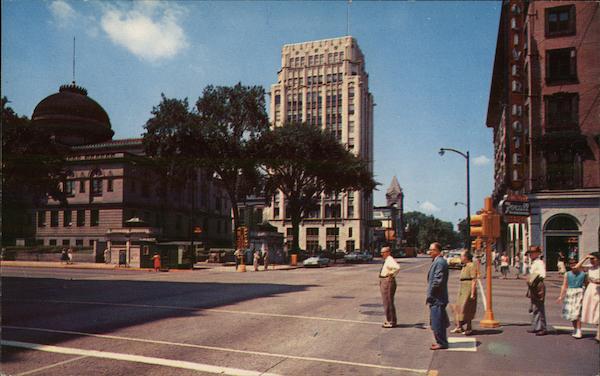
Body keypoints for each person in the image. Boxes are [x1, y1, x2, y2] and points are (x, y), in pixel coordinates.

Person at [427, 242, 450, 350]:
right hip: (437, 297)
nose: (429, 252)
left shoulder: (440, 262)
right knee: (437, 320)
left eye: (431, 250)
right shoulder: (438, 261)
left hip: (437, 297)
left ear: (437, 251)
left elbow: (437, 281)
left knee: (438, 321)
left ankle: (441, 342)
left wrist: (430, 294)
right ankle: (440, 341)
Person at [557, 258, 586, 338]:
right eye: (571, 263)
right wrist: (560, 296)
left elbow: (586, 285)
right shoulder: (567, 274)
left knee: (577, 313)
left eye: (574, 263)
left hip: (579, 292)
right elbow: (564, 285)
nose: (573, 265)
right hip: (570, 293)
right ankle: (575, 329)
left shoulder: (583, 274)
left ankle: (579, 330)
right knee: (571, 313)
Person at [451, 250, 477, 336]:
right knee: (458, 307)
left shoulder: (471, 265)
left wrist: (472, 293)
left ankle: (469, 328)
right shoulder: (464, 265)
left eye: (461, 256)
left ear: (466, 257)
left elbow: (474, 280)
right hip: (463, 287)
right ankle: (459, 327)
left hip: (468, 288)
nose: (460, 258)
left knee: (467, 308)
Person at [577, 252, 600, 342]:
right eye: (591, 259)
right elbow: (577, 267)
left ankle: (599, 335)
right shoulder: (590, 268)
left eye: (593, 259)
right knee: (594, 311)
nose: (592, 261)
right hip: (591, 289)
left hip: (598, 289)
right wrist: (585, 258)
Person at [526, 245, 547, 336]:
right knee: (535, 307)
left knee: (539, 307)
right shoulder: (534, 262)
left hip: (538, 285)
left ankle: (542, 328)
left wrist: (533, 279)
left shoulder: (539, 262)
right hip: (533, 285)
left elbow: (542, 274)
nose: (530, 255)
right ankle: (536, 326)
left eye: (532, 253)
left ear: (538, 253)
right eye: (530, 253)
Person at [379, 246, 400, 328]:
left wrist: (391, 273)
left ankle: (391, 321)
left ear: (388, 252)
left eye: (383, 252)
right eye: (381, 252)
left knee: (388, 301)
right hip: (385, 280)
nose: (382, 254)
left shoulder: (390, 259)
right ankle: (390, 320)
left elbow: (397, 267)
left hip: (388, 281)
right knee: (387, 301)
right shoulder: (387, 260)